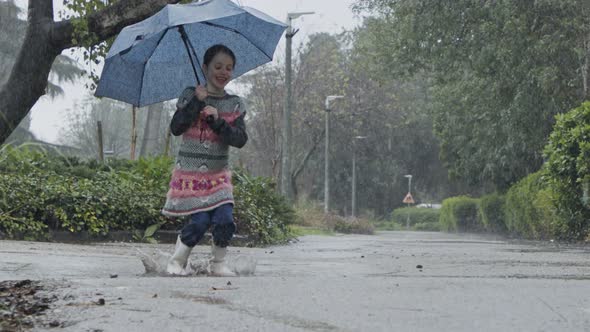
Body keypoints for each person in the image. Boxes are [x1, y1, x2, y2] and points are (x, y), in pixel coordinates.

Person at [163, 44, 247, 277]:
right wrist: (196, 103)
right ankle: (177, 260)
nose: (223, 72)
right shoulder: (191, 95)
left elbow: (240, 140)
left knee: (225, 219)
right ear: (205, 67)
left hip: (218, 176)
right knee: (199, 222)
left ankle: (218, 263)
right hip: (191, 176)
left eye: (229, 68)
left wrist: (218, 121)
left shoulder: (235, 103)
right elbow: (176, 128)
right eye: (218, 66)